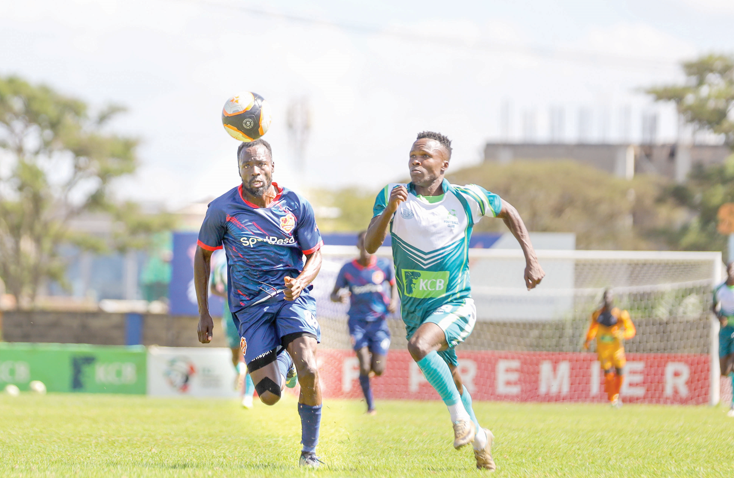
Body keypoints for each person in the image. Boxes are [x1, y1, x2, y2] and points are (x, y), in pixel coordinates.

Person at [365, 131, 545, 471]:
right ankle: (481, 439)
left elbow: (509, 211)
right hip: (417, 308)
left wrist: (531, 258)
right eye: (412, 156)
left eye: (425, 157)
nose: (415, 161)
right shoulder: (392, 196)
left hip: (456, 304)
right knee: (450, 374)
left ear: (443, 165)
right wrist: (390, 209)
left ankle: (459, 421)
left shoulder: (466, 198)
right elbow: (371, 246)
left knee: (419, 346)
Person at [194, 139, 325, 468]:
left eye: (261, 164)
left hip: (291, 298)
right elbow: (202, 256)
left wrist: (303, 281)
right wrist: (204, 313)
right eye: (247, 165)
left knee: (309, 366)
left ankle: (309, 453)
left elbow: (315, 254)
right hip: (250, 309)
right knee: (268, 395)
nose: (255, 170)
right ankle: (285, 359)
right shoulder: (222, 210)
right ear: (239, 169)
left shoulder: (295, 205)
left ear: (272, 166)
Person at [330, 230, 399, 414]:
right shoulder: (348, 269)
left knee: (378, 369)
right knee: (364, 365)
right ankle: (370, 407)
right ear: (359, 246)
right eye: (364, 244)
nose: (367, 249)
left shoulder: (384, 266)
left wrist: (393, 302)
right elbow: (333, 294)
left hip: (378, 323)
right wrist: (339, 297)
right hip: (357, 323)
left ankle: (372, 367)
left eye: (371, 244)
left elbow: (393, 285)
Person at [209, 250, 256, 409]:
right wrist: (227, 296)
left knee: (251, 353)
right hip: (230, 313)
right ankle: (239, 371)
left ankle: (247, 396)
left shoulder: (249, 252)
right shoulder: (220, 259)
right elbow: (213, 287)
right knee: (235, 355)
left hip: (249, 312)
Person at [584, 288, 636, 408]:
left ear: (613, 299)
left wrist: (622, 334)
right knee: (608, 374)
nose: (607, 299)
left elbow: (631, 330)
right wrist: (588, 339)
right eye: (606, 296)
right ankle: (612, 399)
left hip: (616, 349)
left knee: (620, 372)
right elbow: (592, 328)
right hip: (603, 349)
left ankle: (616, 396)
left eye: (609, 296)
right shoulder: (597, 314)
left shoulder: (620, 314)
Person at [712, 262, 734, 417]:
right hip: (724, 331)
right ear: (727, 270)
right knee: (724, 371)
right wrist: (719, 316)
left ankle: (733, 405)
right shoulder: (719, 289)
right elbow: (712, 306)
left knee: (733, 366)